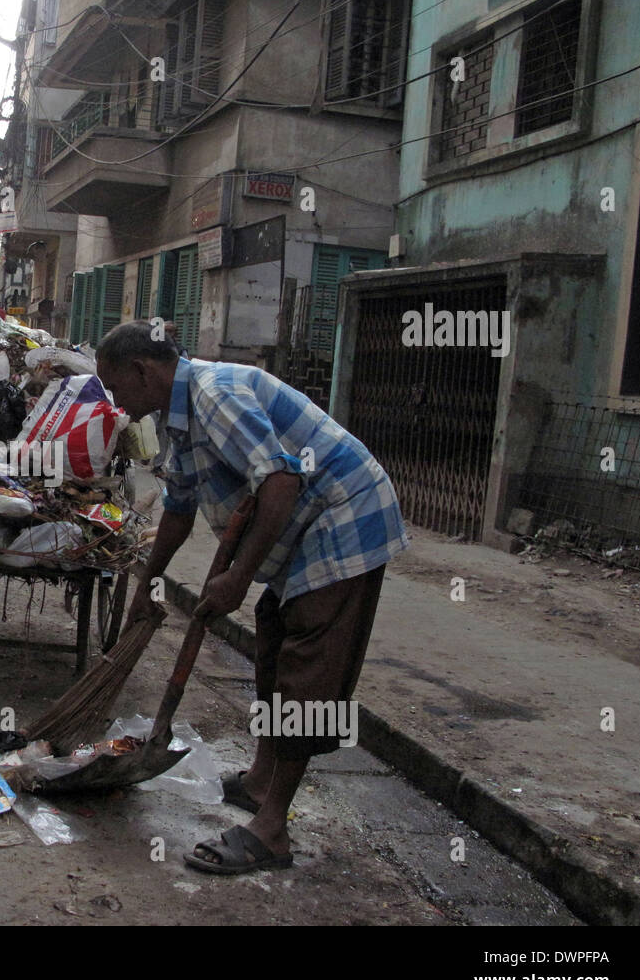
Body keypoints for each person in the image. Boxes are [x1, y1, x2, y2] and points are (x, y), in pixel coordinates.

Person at [96, 321, 409, 876]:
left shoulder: (214, 396)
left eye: (116, 387)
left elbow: (280, 483)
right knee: (273, 633)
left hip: (345, 514)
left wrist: (238, 577)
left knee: (306, 666)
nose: (117, 403)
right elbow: (179, 505)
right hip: (309, 526)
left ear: (143, 371)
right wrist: (147, 583)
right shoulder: (179, 417)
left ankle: (272, 832)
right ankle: (263, 781)